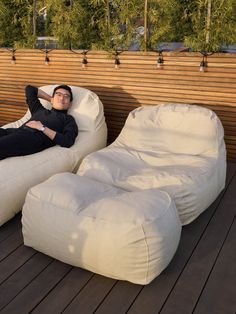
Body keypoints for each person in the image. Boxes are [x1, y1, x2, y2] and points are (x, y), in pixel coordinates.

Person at [0, 84, 78, 160]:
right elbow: (30, 89)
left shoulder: (68, 119)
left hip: (30, 139)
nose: (61, 98)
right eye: (58, 95)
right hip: (15, 131)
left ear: (70, 104)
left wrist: (42, 128)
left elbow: (68, 141)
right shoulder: (39, 110)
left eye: (66, 96)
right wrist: (51, 99)